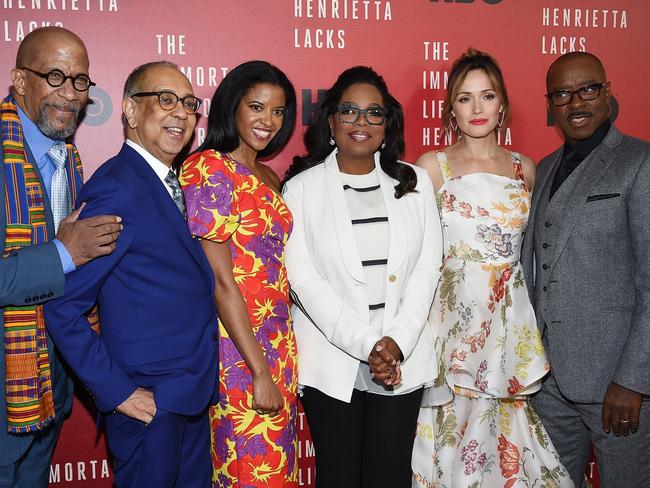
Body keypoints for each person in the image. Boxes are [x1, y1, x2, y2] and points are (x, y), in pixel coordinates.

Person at [44, 61, 219, 488]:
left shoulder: (165, 182)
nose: (181, 113)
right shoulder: (118, 186)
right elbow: (63, 307)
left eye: (189, 104)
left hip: (188, 396)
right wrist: (119, 391)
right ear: (129, 111)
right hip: (150, 406)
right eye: (164, 99)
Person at [411, 49, 572, 488]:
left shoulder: (526, 169)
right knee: (448, 440)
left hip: (506, 328)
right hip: (451, 326)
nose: (477, 108)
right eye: (465, 98)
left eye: (487, 96)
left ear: (502, 105)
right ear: (451, 108)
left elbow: (531, 257)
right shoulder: (431, 168)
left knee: (507, 446)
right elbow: (419, 258)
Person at [282, 66, 442, 488]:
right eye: (349, 110)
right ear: (331, 119)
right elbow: (303, 281)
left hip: (400, 359)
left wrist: (396, 344)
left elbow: (428, 268)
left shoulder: (415, 182)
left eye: (374, 112)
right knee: (339, 476)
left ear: (387, 123)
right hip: (331, 361)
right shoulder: (300, 189)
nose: (361, 122)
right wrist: (369, 344)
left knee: (389, 475)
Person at [521, 51, 650, 488]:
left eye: (588, 89)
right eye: (562, 94)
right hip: (549, 385)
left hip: (617, 387)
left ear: (607, 93)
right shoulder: (544, 169)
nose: (576, 103)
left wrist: (633, 380)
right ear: (550, 105)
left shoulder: (640, 162)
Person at [0, 26, 121, 487]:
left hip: (48, 392)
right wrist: (62, 253)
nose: (69, 94)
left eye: (80, 81)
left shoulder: (70, 160)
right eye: (54, 76)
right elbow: (63, 259)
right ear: (19, 80)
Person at [179, 60, 298, 487]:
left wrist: (275, 364)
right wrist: (259, 371)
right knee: (248, 473)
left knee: (278, 473)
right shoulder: (209, 169)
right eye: (257, 107)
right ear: (232, 107)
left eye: (279, 111)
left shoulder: (267, 174)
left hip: (278, 344)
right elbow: (220, 280)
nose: (268, 121)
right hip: (237, 350)